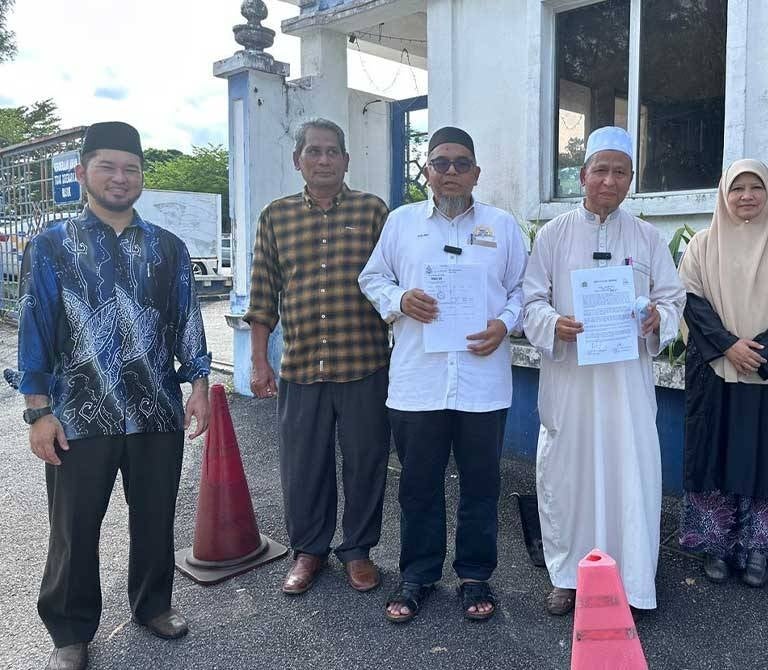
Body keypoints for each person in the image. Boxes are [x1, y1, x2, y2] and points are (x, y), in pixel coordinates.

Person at [5, 121, 211, 670]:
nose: (120, 178)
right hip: (78, 416)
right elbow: (36, 331)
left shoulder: (168, 248)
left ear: (142, 177)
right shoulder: (52, 246)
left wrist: (199, 386)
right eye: (107, 167)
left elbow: (186, 320)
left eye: (131, 169)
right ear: (82, 173)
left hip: (155, 411)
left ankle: (153, 606)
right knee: (73, 529)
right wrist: (38, 413)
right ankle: (70, 632)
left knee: (155, 518)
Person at [359, 126, 527, 623]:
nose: (451, 171)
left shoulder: (503, 225)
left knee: (480, 485)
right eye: (440, 163)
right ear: (426, 172)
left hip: (482, 382)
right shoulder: (402, 223)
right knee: (418, 485)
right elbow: (373, 277)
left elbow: (522, 289)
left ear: (477, 171)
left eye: (461, 163)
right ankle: (418, 575)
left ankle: (475, 575)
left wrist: (505, 324)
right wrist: (398, 300)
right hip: (418, 383)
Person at [522, 126, 686, 614]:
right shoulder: (553, 235)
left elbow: (672, 297)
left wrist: (660, 319)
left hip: (626, 388)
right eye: (600, 170)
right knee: (567, 478)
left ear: (631, 179)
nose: (609, 181)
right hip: (571, 385)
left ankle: (631, 580)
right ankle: (568, 576)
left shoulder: (648, 237)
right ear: (582, 175)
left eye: (620, 172)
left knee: (628, 476)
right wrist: (554, 323)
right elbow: (530, 300)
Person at [243, 118, 392, 597]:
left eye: (332, 152)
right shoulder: (276, 217)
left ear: (346, 160)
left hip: (364, 363)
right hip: (303, 366)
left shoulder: (373, 212)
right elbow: (262, 293)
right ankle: (308, 550)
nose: (323, 160)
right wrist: (259, 361)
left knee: (366, 461)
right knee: (304, 464)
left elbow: (393, 280)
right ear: (298, 161)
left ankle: (359, 550)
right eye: (314, 151)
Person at [677, 159, 768, 587]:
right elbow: (691, 301)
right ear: (724, 193)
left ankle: (760, 548)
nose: (746, 196)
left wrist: (759, 354)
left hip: (767, 371)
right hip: (714, 370)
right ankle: (716, 547)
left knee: (765, 453)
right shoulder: (703, 245)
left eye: (755, 187)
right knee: (713, 451)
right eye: (737, 187)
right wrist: (727, 345)